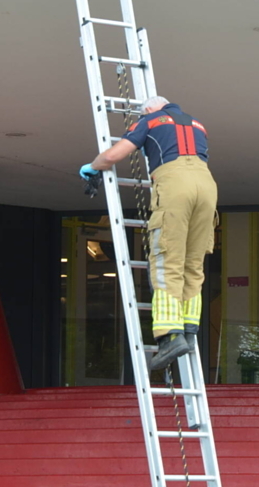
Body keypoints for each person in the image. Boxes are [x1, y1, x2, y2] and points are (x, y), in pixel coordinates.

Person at [79, 96, 217, 371]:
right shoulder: (197, 124)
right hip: (207, 186)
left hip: (175, 184)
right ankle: (189, 330)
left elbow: (113, 155)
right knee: (193, 263)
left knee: (167, 260)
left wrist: (92, 167)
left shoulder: (150, 120)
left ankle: (169, 336)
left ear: (150, 108)